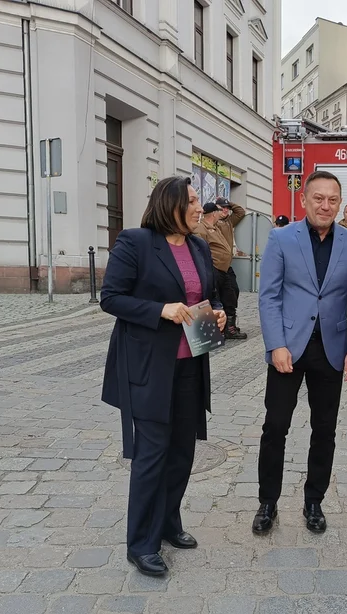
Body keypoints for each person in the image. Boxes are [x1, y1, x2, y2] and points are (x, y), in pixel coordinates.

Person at [100, 176, 227, 578]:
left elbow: (207, 294)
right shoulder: (136, 242)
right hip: (149, 367)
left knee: (182, 453)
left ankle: (169, 523)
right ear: (168, 202)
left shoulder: (199, 246)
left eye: (197, 202)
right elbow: (112, 298)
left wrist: (219, 311)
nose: (197, 208)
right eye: (190, 201)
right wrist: (161, 311)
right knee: (152, 456)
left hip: (192, 361)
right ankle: (141, 543)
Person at [253, 171, 347, 536]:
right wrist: (276, 345)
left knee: (325, 429)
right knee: (275, 427)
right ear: (304, 200)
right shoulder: (281, 238)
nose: (325, 205)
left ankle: (314, 500)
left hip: (331, 351)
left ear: (340, 203)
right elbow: (269, 295)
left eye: (332, 199)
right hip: (289, 348)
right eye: (318, 198)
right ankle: (267, 501)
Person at [194, 202, 246, 340]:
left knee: (230, 296)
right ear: (213, 214)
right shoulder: (201, 229)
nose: (221, 213)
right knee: (211, 300)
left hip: (225, 269)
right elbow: (199, 252)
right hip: (213, 270)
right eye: (218, 211)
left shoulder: (218, 227)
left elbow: (240, 212)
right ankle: (210, 332)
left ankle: (229, 328)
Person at [213, 198, 247, 339]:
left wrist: (229, 203)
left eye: (227, 208)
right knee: (218, 297)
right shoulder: (212, 223)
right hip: (215, 266)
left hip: (227, 266)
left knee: (233, 292)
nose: (225, 210)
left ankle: (228, 326)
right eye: (222, 208)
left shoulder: (229, 221)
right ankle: (222, 328)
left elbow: (240, 212)